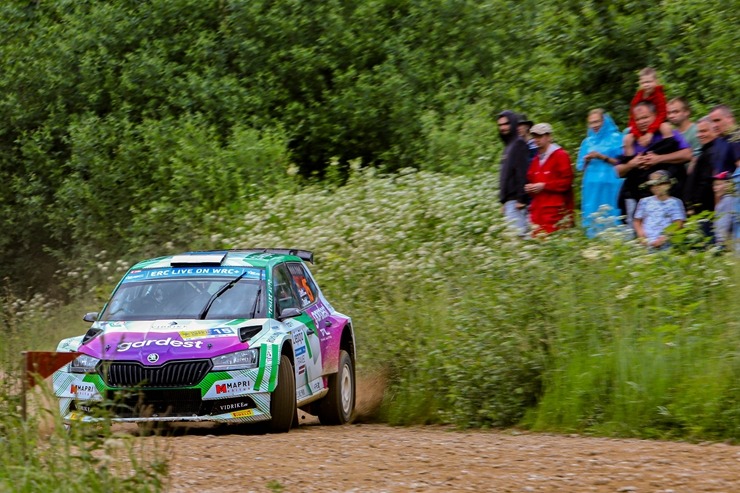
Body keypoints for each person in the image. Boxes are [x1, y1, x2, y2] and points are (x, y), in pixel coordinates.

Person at [615, 102, 692, 231]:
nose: (641, 122)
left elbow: (687, 154)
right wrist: (632, 163)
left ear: (655, 116)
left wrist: (659, 158)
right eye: (638, 119)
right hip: (641, 197)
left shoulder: (668, 133)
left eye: (645, 117)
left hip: (669, 194)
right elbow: (618, 171)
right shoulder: (630, 139)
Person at [576, 109, 624, 237]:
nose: (594, 125)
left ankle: (614, 239)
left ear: (604, 121)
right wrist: (586, 160)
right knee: (592, 213)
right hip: (591, 184)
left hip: (611, 183)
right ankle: (592, 242)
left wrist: (601, 156)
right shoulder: (587, 142)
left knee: (610, 212)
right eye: (591, 123)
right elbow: (581, 167)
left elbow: (622, 162)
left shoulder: (616, 137)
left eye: (597, 121)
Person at [525, 123, 574, 234]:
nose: (537, 139)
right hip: (537, 213)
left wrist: (544, 186)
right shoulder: (535, 160)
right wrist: (530, 188)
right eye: (535, 136)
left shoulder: (561, 155)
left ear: (549, 137)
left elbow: (566, 182)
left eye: (540, 136)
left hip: (556, 214)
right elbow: (531, 179)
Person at [497, 110, 531, 236]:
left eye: (506, 124)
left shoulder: (519, 143)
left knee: (519, 239)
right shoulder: (509, 146)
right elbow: (506, 175)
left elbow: (522, 172)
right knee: (514, 240)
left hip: (517, 202)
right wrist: (503, 201)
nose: (503, 127)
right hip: (510, 202)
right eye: (500, 125)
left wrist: (521, 199)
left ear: (513, 123)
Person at [623, 68, 671, 156]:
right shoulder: (637, 97)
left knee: (665, 127)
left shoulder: (659, 96)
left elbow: (662, 115)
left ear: (656, 81)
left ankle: (668, 148)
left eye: (649, 82)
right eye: (643, 83)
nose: (646, 85)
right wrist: (638, 136)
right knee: (627, 137)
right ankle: (630, 160)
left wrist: (650, 132)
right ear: (640, 83)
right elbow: (633, 118)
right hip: (639, 125)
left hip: (657, 122)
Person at [633, 170, 686, 250]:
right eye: (652, 185)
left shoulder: (675, 202)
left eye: (660, 184)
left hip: (666, 244)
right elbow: (637, 221)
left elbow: (678, 223)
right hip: (646, 243)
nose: (656, 187)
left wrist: (664, 238)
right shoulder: (644, 201)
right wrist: (641, 235)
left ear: (668, 185)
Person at [708, 105, 740, 170]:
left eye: (717, 120)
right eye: (712, 122)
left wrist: (727, 180)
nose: (714, 125)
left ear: (729, 118)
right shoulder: (718, 139)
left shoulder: (736, 137)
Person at [712, 171, 734, 247]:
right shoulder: (724, 201)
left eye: (718, 185)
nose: (715, 188)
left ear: (728, 184)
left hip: (724, 244)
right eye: (714, 185)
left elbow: (724, 225)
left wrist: (720, 245)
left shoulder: (728, 200)